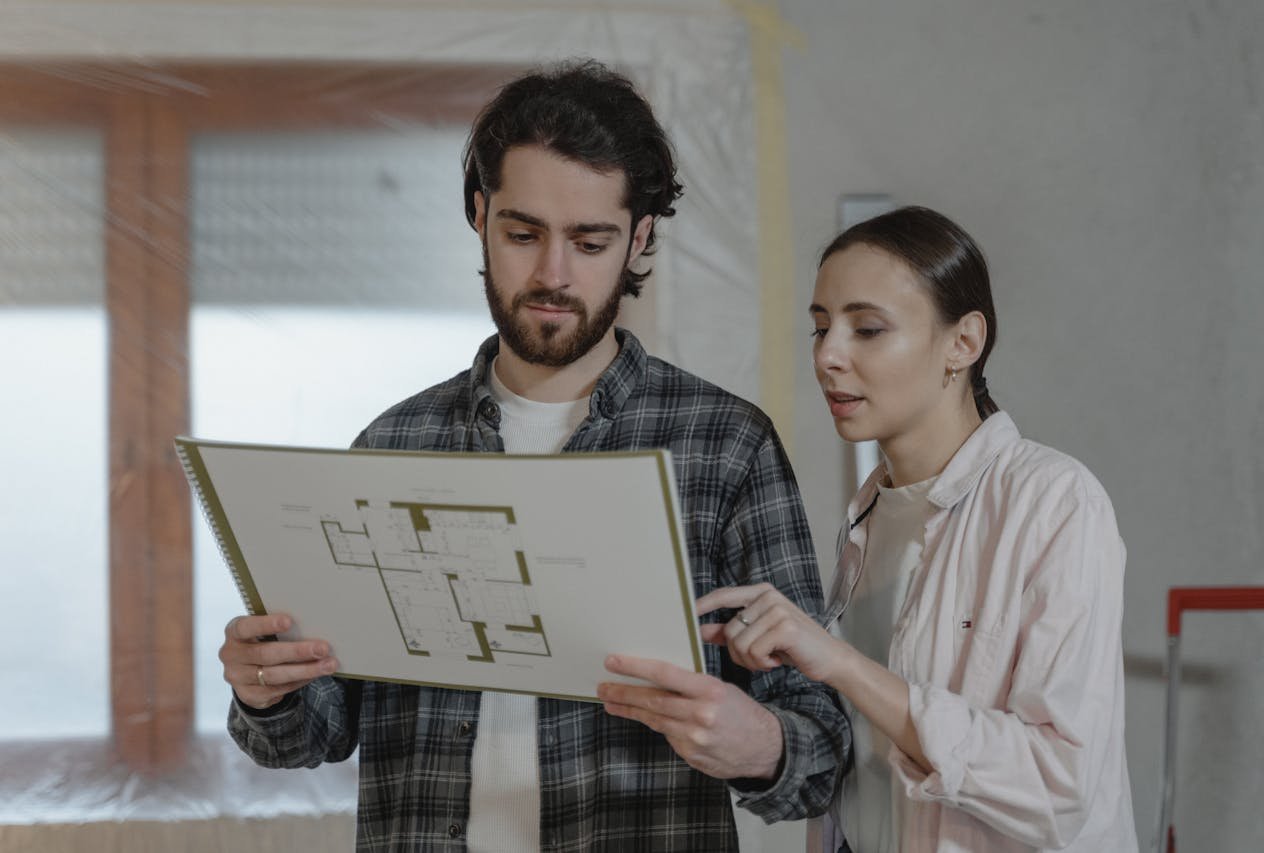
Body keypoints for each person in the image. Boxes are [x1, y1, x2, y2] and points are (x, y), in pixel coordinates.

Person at [218, 59, 850, 851]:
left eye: (590, 242)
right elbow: (311, 736)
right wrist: (267, 691)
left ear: (640, 237)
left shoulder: (727, 446)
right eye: (523, 234)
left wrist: (757, 741)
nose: (553, 274)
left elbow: (822, 751)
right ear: (479, 216)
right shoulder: (393, 443)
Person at [699, 206, 1138, 852]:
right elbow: (867, 767)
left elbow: (1060, 783)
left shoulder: (1055, 502)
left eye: (867, 329)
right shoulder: (871, 511)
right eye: (820, 328)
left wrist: (842, 665)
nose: (828, 356)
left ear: (963, 342)